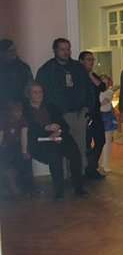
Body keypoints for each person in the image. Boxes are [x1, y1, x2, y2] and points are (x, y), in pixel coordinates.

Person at [22, 82, 87, 200]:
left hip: (57, 136)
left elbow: (64, 125)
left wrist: (59, 131)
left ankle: (78, 187)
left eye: (40, 92)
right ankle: (59, 192)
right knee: (54, 156)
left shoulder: (50, 107)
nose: (38, 95)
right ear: (29, 95)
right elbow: (30, 130)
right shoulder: (26, 111)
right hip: (40, 142)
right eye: (35, 92)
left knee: (74, 151)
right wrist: (46, 129)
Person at [35, 38, 89, 171]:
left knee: (80, 147)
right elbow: (41, 94)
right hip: (58, 115)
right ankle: (64, 176)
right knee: (61, 147)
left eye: (68, 49)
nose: (66, 52)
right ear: (55, 50)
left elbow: (88, 89)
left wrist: (87, 107)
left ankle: (79, 178)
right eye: (62, 49)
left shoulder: (78, 68)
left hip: (78, 114)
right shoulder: (47, 69)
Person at [78, 51, 107, 180]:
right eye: (89, 59)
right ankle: (87, 170)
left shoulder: (92, 75)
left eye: (92, 59)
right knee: (86, 143)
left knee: (101, 140)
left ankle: (92, 166)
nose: (92, 62)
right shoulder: (77, 75)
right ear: (81, 61)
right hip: (85, 114)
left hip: (96, 112)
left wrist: (89, 74)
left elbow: (102, 87)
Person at [0, 101, 35, 197]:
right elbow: (1, 137)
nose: (19, 113)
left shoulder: (23, 120)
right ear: (10, 112)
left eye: (20, 111)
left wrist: (24, 151)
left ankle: (28, 187)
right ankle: (12, 187)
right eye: (16, 111)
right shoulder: (3, 120)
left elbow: (24, 136)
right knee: (4, 161)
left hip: (16, 145)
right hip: (4, 146)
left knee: (25, 159)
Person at [0, 39, 34, 108]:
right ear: (2, 53)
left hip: (23, 103)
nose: (14, 52)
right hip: (4, 106)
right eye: (10, 51)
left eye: (14, 49)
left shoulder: (23, 67)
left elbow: (30, 84)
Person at [98, 75, 116, 173]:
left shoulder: (110, 92)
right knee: (99, 141)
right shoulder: (97, 92)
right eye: (103, 82)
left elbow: (110, 105)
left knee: (108, 141)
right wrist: (101, 104)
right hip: (99, 116)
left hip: (108, 116)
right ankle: (96, 162)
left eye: (107, 82)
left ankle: (105, 164)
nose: (105, 84)